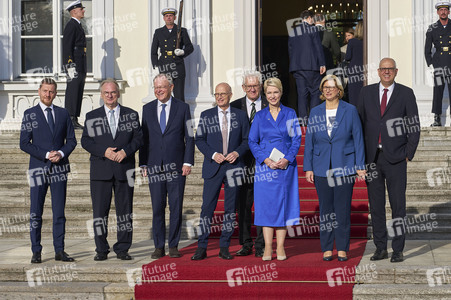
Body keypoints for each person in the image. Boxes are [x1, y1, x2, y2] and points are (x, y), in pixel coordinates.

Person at [358, 58, 420, 263]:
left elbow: (413, 125)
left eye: (390, 69)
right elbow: (359, 125)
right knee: (376, 206)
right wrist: (360, 159)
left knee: (398, 206)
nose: (387, 72)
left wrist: (408, 153)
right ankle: (380, 248)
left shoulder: (405, 93)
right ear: (378, 71)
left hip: (396, 159)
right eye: (383, 69)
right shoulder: (366, 93)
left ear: (396, 71)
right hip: (372, 159)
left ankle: (398, 249)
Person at [303, 75, 365, 261]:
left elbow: (358, 139)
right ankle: (327, 247)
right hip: (321, 167)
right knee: (326, 210)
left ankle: (343, 247)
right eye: (325, 87)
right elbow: (310, 142)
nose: (328, 90)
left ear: (339, 90)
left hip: (344, 166)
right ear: (322, 91)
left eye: (332, 87)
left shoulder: (350, 110)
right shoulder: (315, 112)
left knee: (342, 209)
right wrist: (309, 167)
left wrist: (360, 166)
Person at [81, 78, 143, 261]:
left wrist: (125, 151)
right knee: (100, 213)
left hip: (124, 169)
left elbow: (139, 139)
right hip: (101, 170)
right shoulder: (92, 116)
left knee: (125, 212)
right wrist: (104, 151)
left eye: (113, 92)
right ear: (101, 95)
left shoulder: (131, 115)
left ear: (118, 93)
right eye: (106, 92)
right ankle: (101, 249)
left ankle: (123, 248)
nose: (110, 95)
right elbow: (85, 141)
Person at [20, 78, 77, 263]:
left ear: (56, 93)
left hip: (59, 168)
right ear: (39, 91)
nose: (48, 94)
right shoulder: (30, 114)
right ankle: (36, 250)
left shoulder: (63, 114)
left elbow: (72, 140)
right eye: (45, 91)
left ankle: (59, 250)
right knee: (36, 212)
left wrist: (60, 153)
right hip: (38, 169)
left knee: (59, 212)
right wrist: (45, 154)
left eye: (51, 91)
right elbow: (24, 143)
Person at [191, 83, 250, 261]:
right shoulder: (206, 115)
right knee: (207, 208)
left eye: (223, 94)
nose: (220, 97)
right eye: (217, 94)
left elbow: (247, 139)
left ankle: (224, 246)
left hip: (233, 167)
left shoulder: (240, 115)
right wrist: (213, 154)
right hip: (213, 167)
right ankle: (202, 246)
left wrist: (237, 152)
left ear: (230, 95)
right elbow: (199, 139)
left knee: (230, 209)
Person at [139, 74, 195, 259]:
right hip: (155, 166)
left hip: (177, 167)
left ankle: (173, 245)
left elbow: (189, 137)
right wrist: (143, 163)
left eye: (162, 87)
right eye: (156, 88)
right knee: (157, 207)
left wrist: (187, 162)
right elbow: (144, 139)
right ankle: (158, 246)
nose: (159, 91)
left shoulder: (183, 108)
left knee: (176, 207)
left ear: (171, 87)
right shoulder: (147, 109)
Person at [248, 77, 302, 261]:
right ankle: (267, 248)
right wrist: (265, 159)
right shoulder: (260, 116)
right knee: (266, 208)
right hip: (266, 168)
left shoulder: (290, 113)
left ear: (281, 93)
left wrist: (287, 158)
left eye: (275, 92)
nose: (272, 96)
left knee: (283, 206)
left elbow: (296, 139)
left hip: (285, 168)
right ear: (265, 94)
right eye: (269, 92)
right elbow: (252, 141)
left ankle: (280, 247)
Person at [230, 71, 268, 258]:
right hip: (242, 163)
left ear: (260, 87)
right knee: (243, 206)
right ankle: (246, 243)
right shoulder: (234, 106)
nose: (252, 89)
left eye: (255, 86)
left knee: (262, 205)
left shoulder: (270, 103)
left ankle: (261, 245)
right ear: (243, 88)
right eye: (249, 86)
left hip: (264, 163)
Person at [288, 10, 326, 125]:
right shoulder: (313, 29)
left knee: (302, 96)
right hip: (312, 67)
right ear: (309, 18)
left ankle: (303, 124)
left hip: (298, 68)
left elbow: (290, 50)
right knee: (315, 94)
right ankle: (313, 122)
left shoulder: (293, 31)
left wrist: (294, 65)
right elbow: (318, 47)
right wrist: (322, 63)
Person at [151, 8, 194, 102]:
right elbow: (153, 51)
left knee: (179, 96)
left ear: (174, 17)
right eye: (166, 16)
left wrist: (183, 52)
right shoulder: (158, 32)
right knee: (163, 95)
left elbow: (190, 47)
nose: (169, 18)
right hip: (164, 66)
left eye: (170, 16)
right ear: (164, 18)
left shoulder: (182, 31)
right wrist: (155, 66)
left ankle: (181, 116)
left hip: (177, 66)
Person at [425, 1, 451, 126]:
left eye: (445, 10)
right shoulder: (432, 28)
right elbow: (427, 49)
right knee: (438, 92)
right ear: (437, 12)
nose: (443, 12)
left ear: (448, 11)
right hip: (439, 64)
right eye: (441, 10)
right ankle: (437, 118)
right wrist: (430, 65)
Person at [63, 0, 87, 129]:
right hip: (74, 63)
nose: (83, 10)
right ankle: (70, 118)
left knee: (78, 89)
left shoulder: (77, 25)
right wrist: (69, 64)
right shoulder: (71, 25)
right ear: (74, 11)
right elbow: (67, 46)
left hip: (80, 61)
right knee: (73, 89)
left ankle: (75, 117)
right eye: (81, 9)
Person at [345, 22, 364, 107]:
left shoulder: (352, 41)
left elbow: (348, 57)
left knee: (354, 97)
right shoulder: (368, 41)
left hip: (354, 71)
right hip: (366, 70)